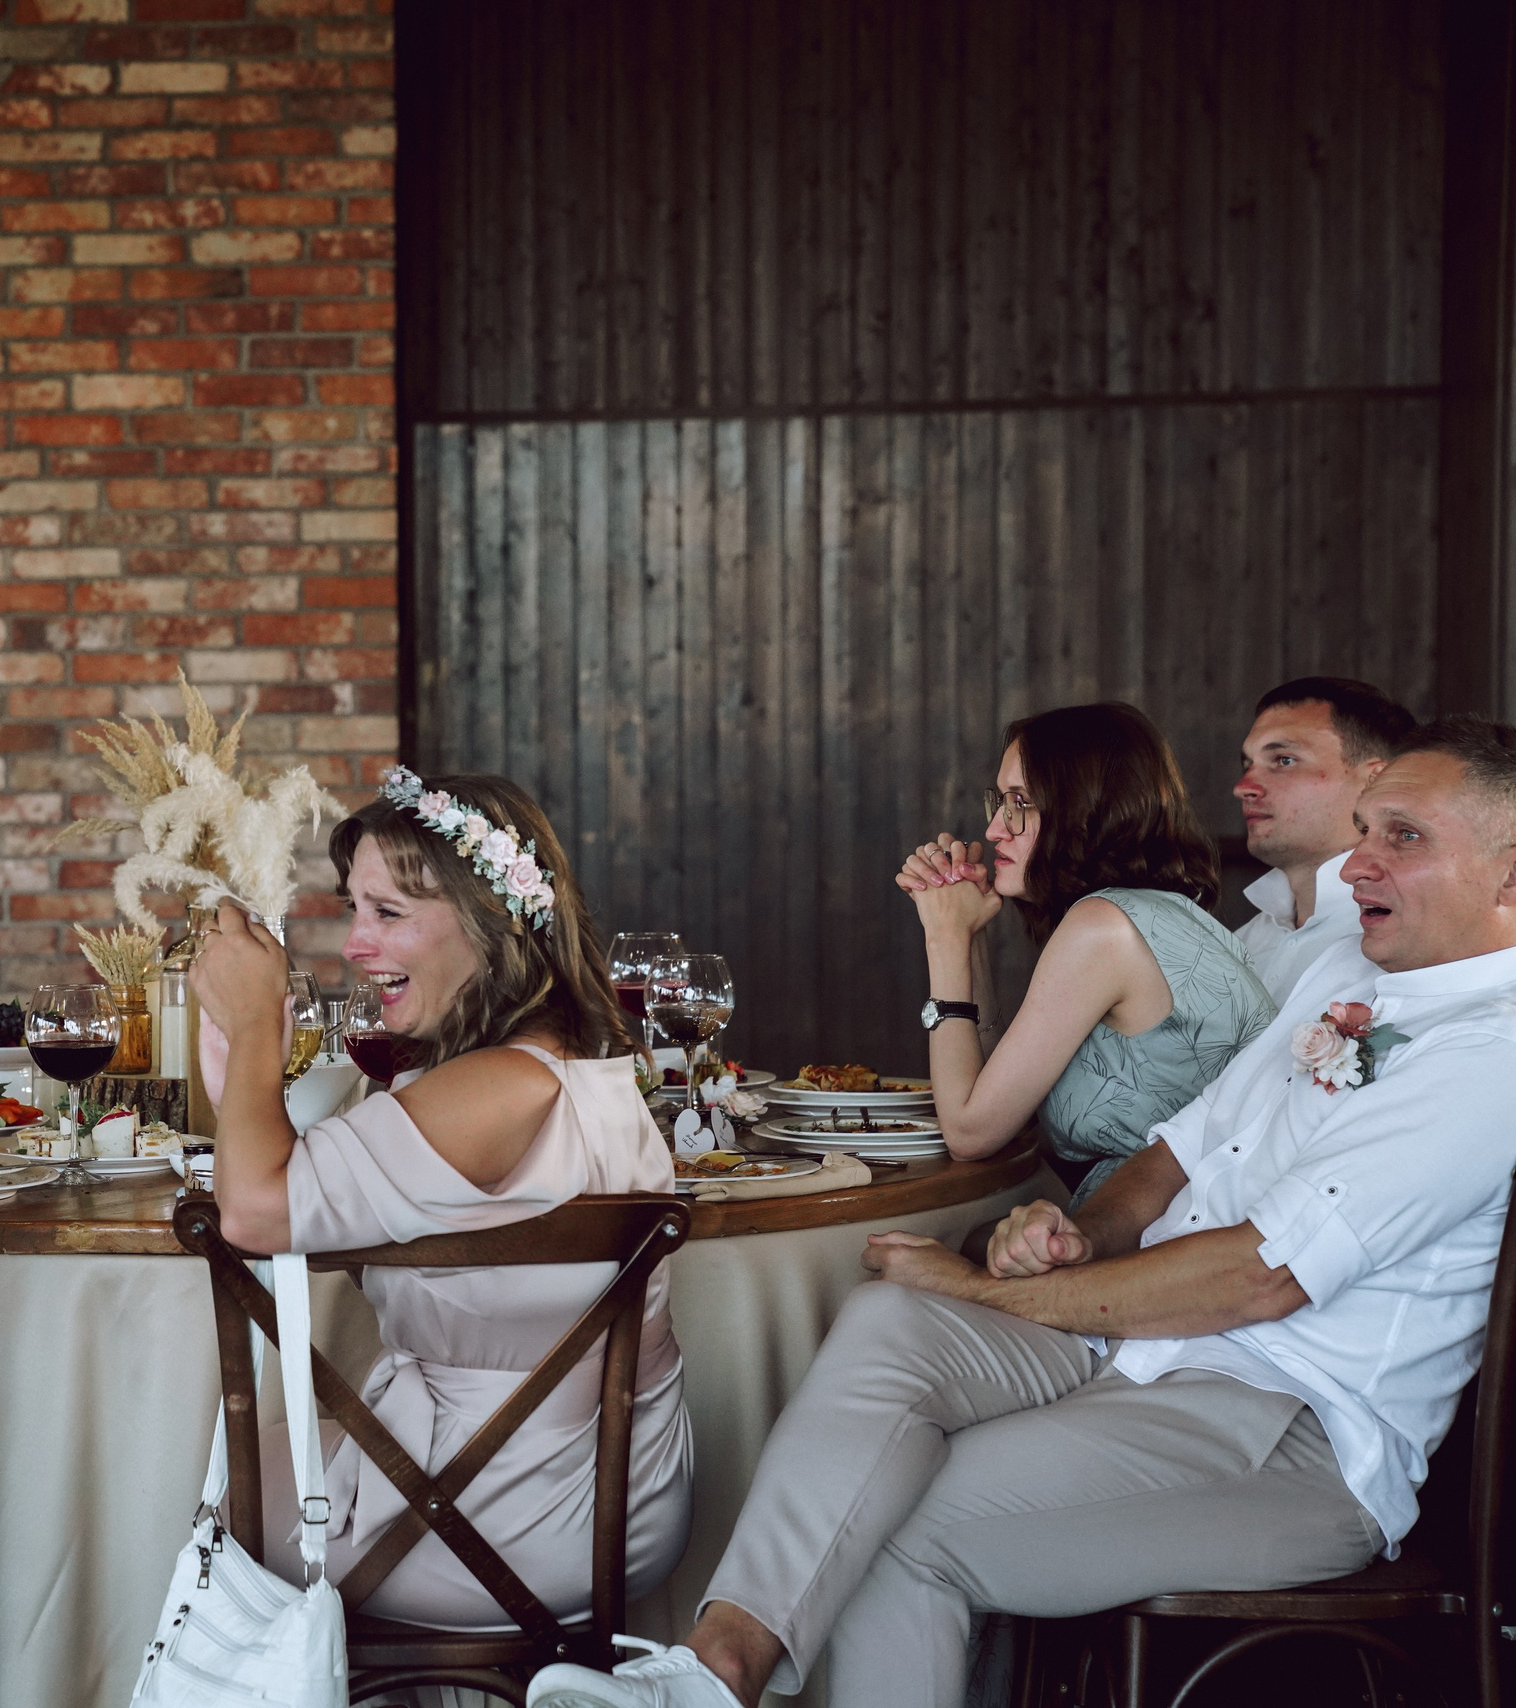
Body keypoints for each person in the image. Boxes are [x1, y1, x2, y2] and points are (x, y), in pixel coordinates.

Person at [527, 715, 1516, 1708]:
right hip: (1138, 1343)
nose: (1357, 865)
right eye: (1366, 830)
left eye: (1403, 837)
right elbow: (1174, 1151)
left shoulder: (1491, 1054)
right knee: (892, 1318)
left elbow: (1260, 1277)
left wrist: (984, 1287)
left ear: (1510, 877)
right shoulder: (1351, 972)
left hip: (1289, 1424)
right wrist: (1083, 1235)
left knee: (897, 1519)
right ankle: (715, 1669)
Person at [193, 766, 690, 1629]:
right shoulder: (575, 1070)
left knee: (192, 1486)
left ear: (491, 925)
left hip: (499, 1520)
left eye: (388, 913)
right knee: (262, 1462)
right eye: (355, 909)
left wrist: (254, 1021)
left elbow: (253, 1214)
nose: (355, 944)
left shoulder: (496, 1090)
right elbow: (308, 1204)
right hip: (611, 1497)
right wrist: (242, 1062)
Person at [897, 702, 1273, 1205]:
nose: (994, 829)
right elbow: (999, 1101)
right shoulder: (1146, 913)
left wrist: (942, 938)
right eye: (1000, 801)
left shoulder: (1103, 927)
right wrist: (968, 937)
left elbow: (969, 1134)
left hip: (1164, 1225)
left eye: (1021, 802)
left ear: (1086, 810)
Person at [1232, 676, 1417, 1005]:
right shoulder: (1239, 943)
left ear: (1376, 781)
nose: (1243, 787)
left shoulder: (1415, 941)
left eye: (1284, 760)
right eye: (1248, 764)